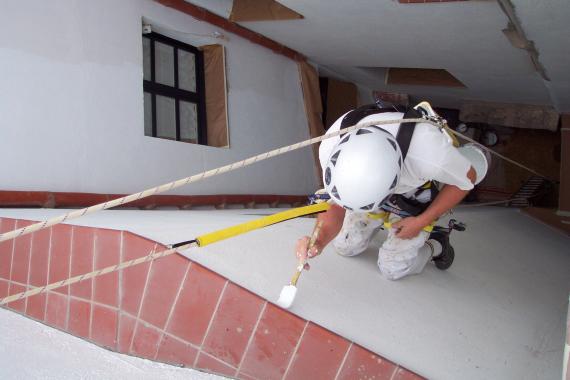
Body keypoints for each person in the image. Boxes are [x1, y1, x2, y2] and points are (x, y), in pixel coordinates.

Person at [295, 102, 483, 280]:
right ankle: (377, 219)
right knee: (344, 246)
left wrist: (421, 221)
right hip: (376, 191)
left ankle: (437, 244)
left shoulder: (430, 156)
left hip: (415, 197)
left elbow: (467, 180)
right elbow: (335, 206)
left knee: (392, 269)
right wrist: (318, 241)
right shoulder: (330, 147)